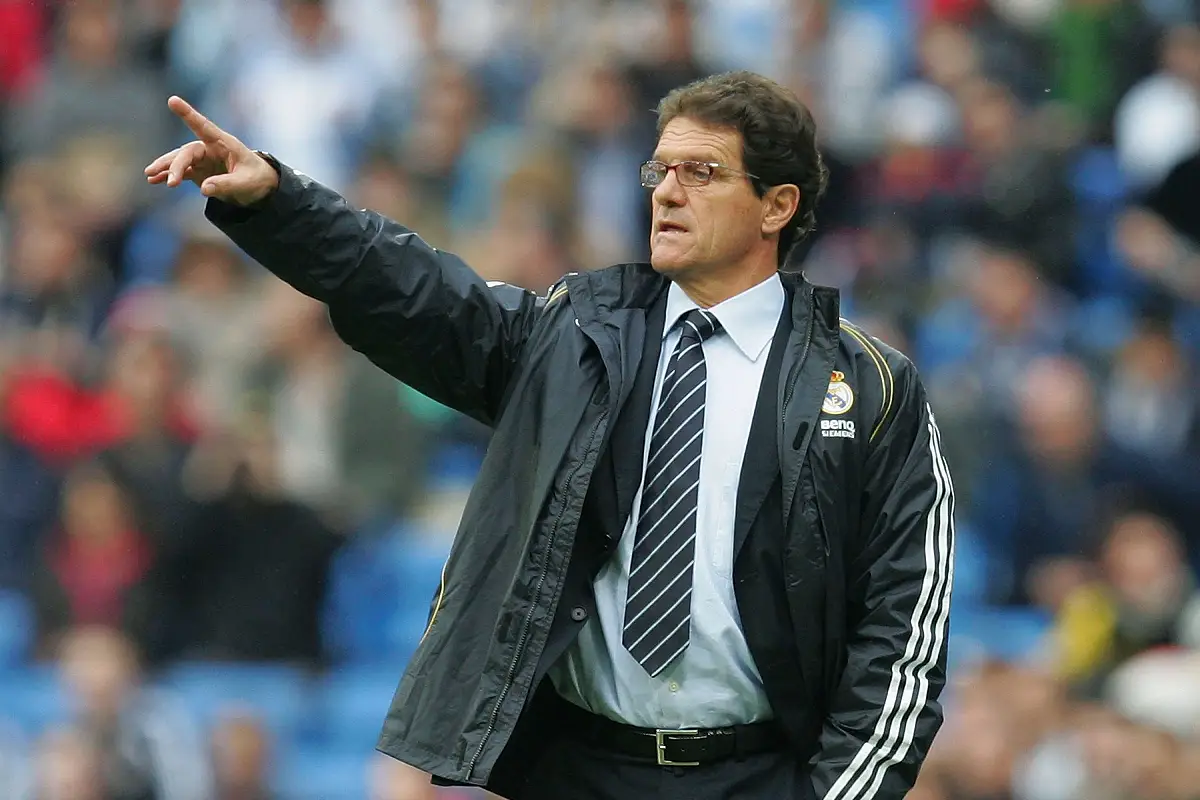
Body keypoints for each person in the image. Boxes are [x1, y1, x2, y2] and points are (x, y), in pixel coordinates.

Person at [145, 71, 955, 800]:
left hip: (761, 775)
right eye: (659, 170)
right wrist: (278, 202)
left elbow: (903, 626)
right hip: (576, 769)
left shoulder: (872, 388)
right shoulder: (575, 335)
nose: (667, 192)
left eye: (701, 173)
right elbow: (420, 292)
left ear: (778, 205)